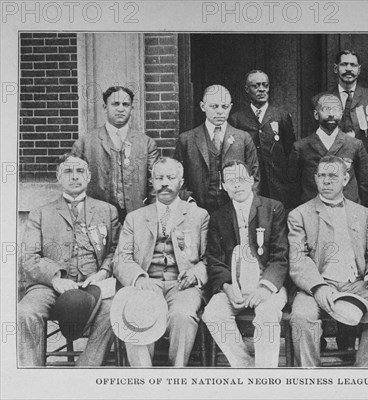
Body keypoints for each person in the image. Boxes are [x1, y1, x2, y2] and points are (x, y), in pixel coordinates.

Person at [288, 155, 368, 367]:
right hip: (318, 283)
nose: (326, 181)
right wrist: (318, 287)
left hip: (356, 283)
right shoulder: (299, 215)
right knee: (301, 316)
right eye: (322, 176)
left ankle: (362, 374)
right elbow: (298, 258)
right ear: (315, 179)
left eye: (333, 176)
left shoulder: (363, 214)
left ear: (345, 180)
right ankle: (310, 381)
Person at [18, 154, 120, 366]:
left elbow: (116, 251)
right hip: (49, 287)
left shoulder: (107, 211)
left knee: (115, 311)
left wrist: (103, 271)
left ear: (89, 176)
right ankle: (30, 376)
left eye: (80, 171)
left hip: (94, 285)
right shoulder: (40, 213)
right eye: (68, 171)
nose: (75, 177)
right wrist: (56, 279)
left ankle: (85, 371)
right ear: (58, 177)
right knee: (25, 312)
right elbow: (29, 257)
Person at [113, 157, 209, 366]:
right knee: (136, 312)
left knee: (182, 316)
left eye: (170, 177)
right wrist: (138, 277)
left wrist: (195, 273)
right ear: (152, 182)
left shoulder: (199, 215)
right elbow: (121, 258)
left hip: (183, 284)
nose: (165, 183)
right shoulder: (135, 217)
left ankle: (177, 372)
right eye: (159, 178)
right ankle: (144, 376)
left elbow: (209, 258)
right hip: (148, 281)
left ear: (181, 182)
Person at [202, 161, 289, 367]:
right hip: (234, 286)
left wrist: (265, 287)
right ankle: (245, 368)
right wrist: (227, 287)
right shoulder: (218, 216)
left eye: (241, 179)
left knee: (267, 316)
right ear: (223, 185)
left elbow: (281, 255)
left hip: (268, 284)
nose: (237, 185)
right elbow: (214, 259)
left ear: (251, 180)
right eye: (231, 181)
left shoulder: (272, 208)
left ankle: (265, 374)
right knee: (213, 314)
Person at [72, 86, 158, 222]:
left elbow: (155, 184)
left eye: (125, 104)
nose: (120, 109)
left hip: (137, 217)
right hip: (97, 218)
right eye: (115, 104)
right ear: (105, 107)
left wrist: (152, 216)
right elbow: (74, 183)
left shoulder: (146, 143)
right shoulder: (85, 143)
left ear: (132, 109)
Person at [174, 84, 260, 214]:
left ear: (230, 107)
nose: (220, 111)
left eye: (224, 106)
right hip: (198, 209)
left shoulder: (243, 138)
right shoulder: (187, 139)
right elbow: (177, 178)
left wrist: (246, 206)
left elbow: (254, 177)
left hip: (234, 210)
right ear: (203, 106)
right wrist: (189, 201)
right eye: (214, 106)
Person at [288, 93, 368, 207]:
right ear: (316, 114)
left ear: (342, 114)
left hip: (346, 210)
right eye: (326, 109)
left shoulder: (355, 145)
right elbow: (293, 186)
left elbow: (365, 183)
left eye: (336, 110)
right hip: (313, 210)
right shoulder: (301, 147)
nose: (331, 114)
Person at [229, 70, 296, 209]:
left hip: (278, 183)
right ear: (247, 89)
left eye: (265, 85)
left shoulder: (281, 116)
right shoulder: (237, 119)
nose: (261, 90)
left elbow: (290, 151)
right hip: (251, 182)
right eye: (256, 86)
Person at [331, 50, 368, 207]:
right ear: (336, 68)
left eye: (353, 65)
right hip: (335, 174)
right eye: (344, 64)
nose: (349, 69)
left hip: (367, 177)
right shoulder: (323, 99)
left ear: (359, 69)